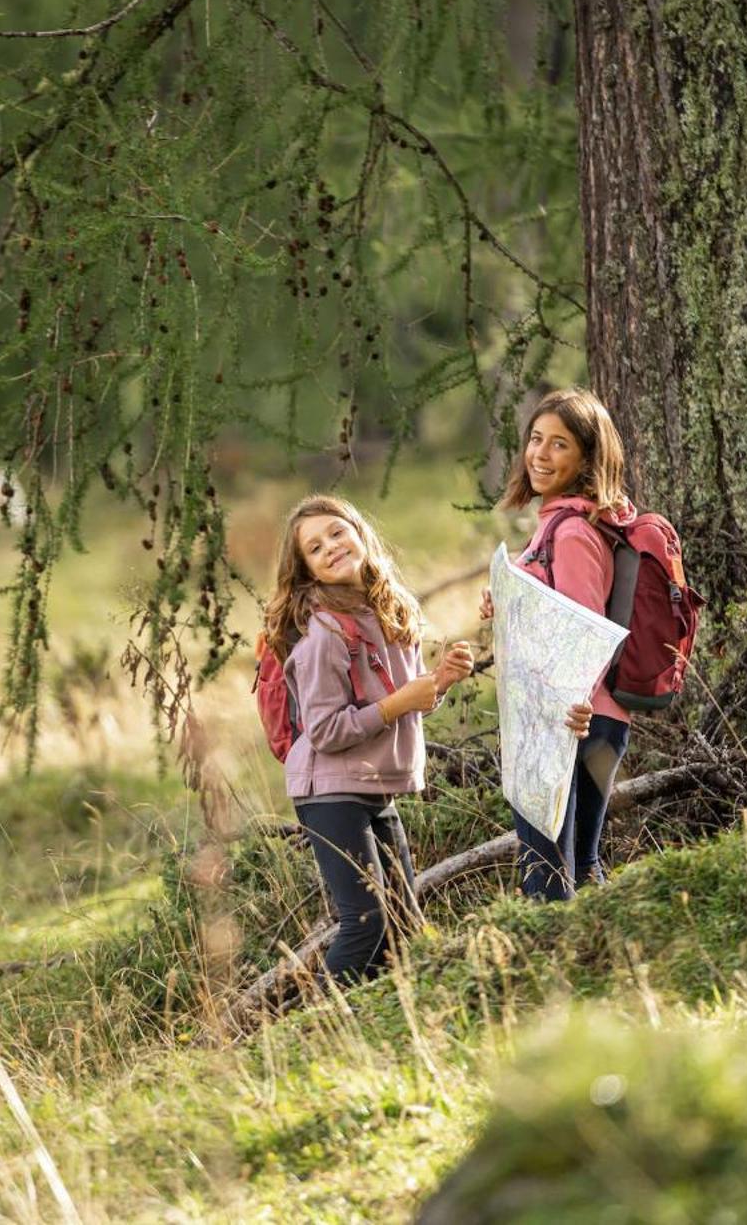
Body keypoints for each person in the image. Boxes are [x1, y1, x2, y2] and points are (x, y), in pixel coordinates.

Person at [263, 495, 473, 985]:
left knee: (403, 923)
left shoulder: (388, 607)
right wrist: (403, 701)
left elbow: (404, 697)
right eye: (315, 548)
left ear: (360, 532)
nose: (332, 547)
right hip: (331, 791)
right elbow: (327, 731)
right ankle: (313, 1029)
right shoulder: (322, 634)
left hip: (374, 784)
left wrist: (437, 682)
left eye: (337, 532)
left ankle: (389, 1027)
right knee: (366, 924)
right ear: (308, 571)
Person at [480, 387, 631, 901]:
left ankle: (555, 975)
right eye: (536, 439)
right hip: (583, 718)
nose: (540, 455)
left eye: (559, 444)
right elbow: (553, 613)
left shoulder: (572, 532)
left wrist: (575, 705)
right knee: (580, 870)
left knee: (547, 876)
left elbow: (583, 631)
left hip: (572, 722)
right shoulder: (559, 523)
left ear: (588, 457)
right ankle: (601, 965)